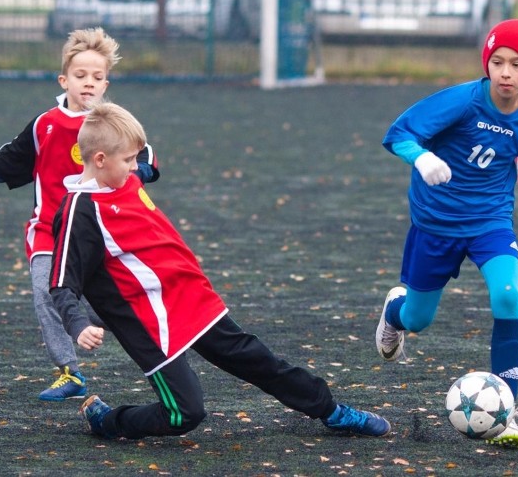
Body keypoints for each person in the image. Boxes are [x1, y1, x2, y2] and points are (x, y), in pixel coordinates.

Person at [49, 102, 391, 440]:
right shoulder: (79, 211)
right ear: (99, 160)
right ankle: (108, 421)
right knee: (184, 413)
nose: (133, 167)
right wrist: (78, 325)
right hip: (150, 322)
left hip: (191, 297)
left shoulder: (123, 174)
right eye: (126, 161)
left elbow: (146, 158)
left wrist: (140, 161)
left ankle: (331, 411)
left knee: (258, 359)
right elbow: (63, 281)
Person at [374, 19, 518, 449]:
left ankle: (507, 413)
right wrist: (422, 158)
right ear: (487, 64)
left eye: (517, 64)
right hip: (436, 224)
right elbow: (399, 134)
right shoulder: (463, 101)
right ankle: (395, 312)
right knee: (418, 319)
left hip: (490, 223)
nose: (506, 72)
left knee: (507, 297)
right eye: (498, 62)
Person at [0, 27, 160, 401]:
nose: (88, 84)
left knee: (108, 298)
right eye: (80, 76)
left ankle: (137, 333)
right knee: (46, 291)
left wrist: (134, 174)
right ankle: (69, 372)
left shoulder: (113, 124)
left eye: (97, 77)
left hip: (98, 231)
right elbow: (9, 158)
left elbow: (148, 160)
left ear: (106, 82)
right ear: (64, 80)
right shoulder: (45, 124)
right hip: (48, 230)